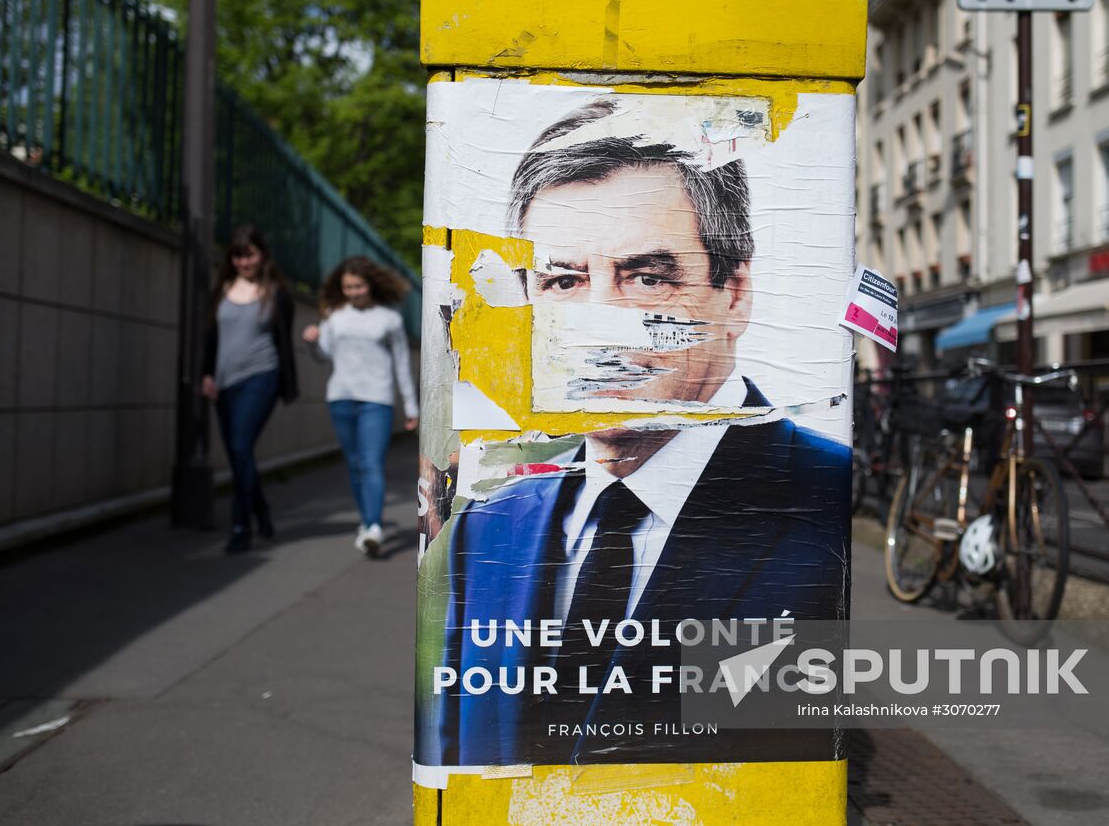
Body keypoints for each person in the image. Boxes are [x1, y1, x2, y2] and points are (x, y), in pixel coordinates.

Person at [436, 99, 850, 765]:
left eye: (648, 277)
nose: (601, 324)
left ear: (734, 295)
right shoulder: (487, 529)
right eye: (564, 280)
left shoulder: (825, 501)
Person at [303, 256, 420, 557]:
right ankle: (368, 521)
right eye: (347, 287)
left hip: (376, 399)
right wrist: (312, 342)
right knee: (355, 466)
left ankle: (374, 528)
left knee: (371, 463)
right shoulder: (334, 316)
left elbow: (401, 363)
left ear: (370, 285)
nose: (353, 292)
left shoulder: (389, 318)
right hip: (340, 397)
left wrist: (411, 405)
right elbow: (323, 355)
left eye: (358, 286)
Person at [202, 225, 299, 554]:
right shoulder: (223, 288)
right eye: (238, 255)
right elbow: (211, 336)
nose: (244, 261)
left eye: (250, 254)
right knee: (237, 454)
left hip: (262, 376)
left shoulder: (276, 293)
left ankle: (240, 525)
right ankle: (261, 510)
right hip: (224, 380)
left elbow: (284, 341)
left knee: (241, 446)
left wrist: (288, 385)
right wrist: (206, 374)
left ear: (262, 255)